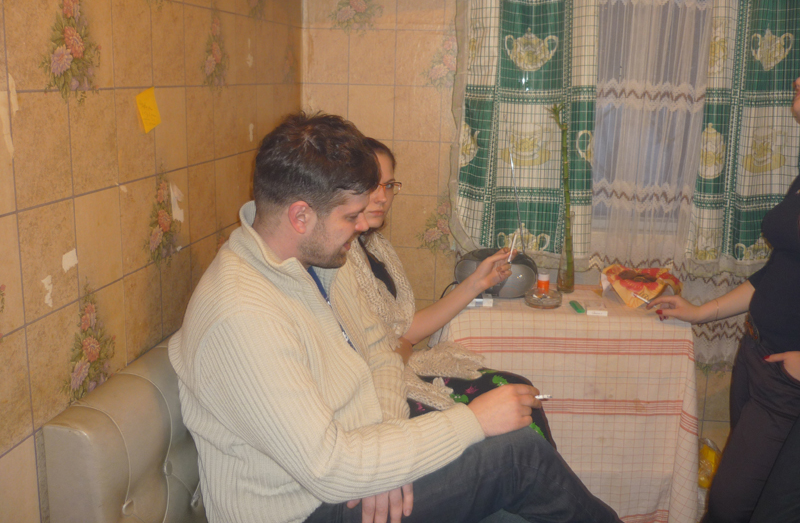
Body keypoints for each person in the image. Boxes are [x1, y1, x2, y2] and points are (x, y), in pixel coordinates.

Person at [169, 112, 621, 523]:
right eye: (351, 216)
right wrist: (473, 421)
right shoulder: (242, 316)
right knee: (520, 456)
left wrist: (387, 458)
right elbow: (330, 468)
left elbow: (381, 353)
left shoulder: (317, 263)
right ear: (300, 216)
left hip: (354, 469)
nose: (364, 225)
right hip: (306, 509)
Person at [648, 77, 800, 523]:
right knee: (756, 504)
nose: (795, 80)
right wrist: (700, 312)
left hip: (788, 379)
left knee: (733, 504)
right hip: (755, 355)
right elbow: (778, 273)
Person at [349, 137, 555, 446]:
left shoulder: (376, 247)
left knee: (520, 392)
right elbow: (374, 356)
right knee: (515, 429)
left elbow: (407, 332)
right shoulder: (338, 261)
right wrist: (400, 348)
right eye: (370, 185)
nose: (382, 197)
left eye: (389, 185)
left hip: (402, 367)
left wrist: (478, 282)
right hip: (379, 396)